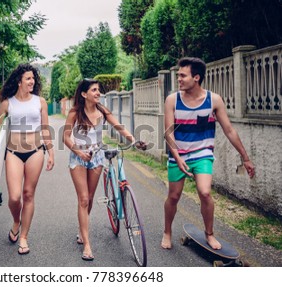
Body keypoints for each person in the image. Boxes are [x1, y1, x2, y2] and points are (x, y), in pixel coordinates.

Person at [162, 57, 256, 250]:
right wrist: (177, 157)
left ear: (196, 77)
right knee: (174, 196)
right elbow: (168, 133)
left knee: (205, 192)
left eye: (182, 75)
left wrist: (245, 158)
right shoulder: (172, 100)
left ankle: (209, 234)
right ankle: (167, 231)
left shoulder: (214, 100)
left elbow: (229, 130)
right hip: (178, 154)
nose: (178, 79)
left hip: (202, 153)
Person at [63, 78, 146, 261]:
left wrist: (134, 140)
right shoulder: (75, 112)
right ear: (84, 94)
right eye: (94, 90)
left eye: (98, 90)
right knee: (83, 199)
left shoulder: (102, 111)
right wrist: (78, 151)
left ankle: (81, 230)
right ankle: (87, 244)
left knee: (90, 198)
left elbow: (119, 127)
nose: (98, 93)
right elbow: (66, 137)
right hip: (78, 157)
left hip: (97, 157)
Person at [0, 63, 54, 255]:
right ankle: (16, 221)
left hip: (36, 151)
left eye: (33, 78)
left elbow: (45, 128)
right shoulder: (7, 103)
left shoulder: (40, 102)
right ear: (19, 81)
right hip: (13, 153)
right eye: (28, 78)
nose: (32, 81)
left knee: (28, 194)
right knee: (14, 197)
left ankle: (23, 237)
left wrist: (50, 152)